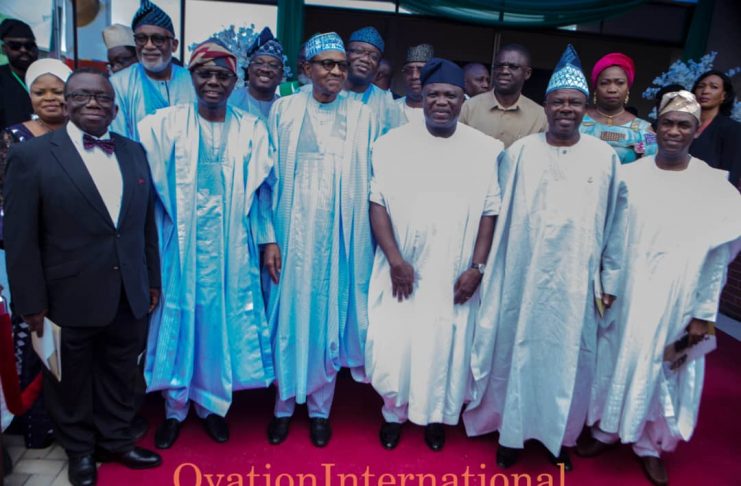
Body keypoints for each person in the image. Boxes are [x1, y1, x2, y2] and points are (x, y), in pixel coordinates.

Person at [463, 44, 627, 472]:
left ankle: (558, 437)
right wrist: (487, 269)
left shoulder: (605, 158)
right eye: (558, 102)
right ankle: (511, 433)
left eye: (574, 102)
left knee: (567, 360)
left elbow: (616, 225)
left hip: (576, 283)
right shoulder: (521, 153)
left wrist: (610, 280)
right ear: (547, 105)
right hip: (521, 277)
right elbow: (496, 214)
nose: (566, 109)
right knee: (514, 354)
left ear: (585, 107)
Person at [4, 68, 162, 486]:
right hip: (65, 295)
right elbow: (20, 237)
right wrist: (30, 302)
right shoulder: (32, 157)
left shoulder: (133, 152)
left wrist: (152, 280)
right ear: (67, 103)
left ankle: (116, 441)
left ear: (114, 108)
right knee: (69, 381)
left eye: (102, 98)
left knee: (122, 374)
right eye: (82, 96)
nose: (93, 103)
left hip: (128, 290)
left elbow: (144, 224)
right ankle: (80, 452)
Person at [579, 90, 741, 486]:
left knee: (666, 367)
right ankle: (607, 429)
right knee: (614, 358)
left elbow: (718, 258)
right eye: (667, 123)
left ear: (695, 131)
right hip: (627, 291)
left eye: (683, 125)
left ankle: (650, 444)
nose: (674, 131)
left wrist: (704, 313)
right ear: (656, 127)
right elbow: (609, 238)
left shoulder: (714, 186)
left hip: (679, 295)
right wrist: (606, 285)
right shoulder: (629, 177)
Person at [139, 39, 276, 450]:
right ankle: (174, 408)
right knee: (180, 321)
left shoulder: (252, 129)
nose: (213, 81)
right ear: (192, 77)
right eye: (204, 73)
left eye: (222, 75)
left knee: (219, 326)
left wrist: (268, 240)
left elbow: (263, 193)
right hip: (179, 246)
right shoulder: (161, 126)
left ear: (235, 82)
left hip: (233, 247)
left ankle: (212, 406)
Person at [366, 58, 502, 452]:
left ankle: (438, 416)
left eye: (450, 95)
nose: (442, 102)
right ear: (421, 96)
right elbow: (377, 204)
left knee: (447, 345)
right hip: (402, 269)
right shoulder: (390, 145)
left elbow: (489, 212)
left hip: (454, 272)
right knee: (397, 342)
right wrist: (395, 261)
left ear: (463, 100)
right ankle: (394, 413)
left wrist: (477, 268)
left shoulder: (486, 149)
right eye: (434, 94)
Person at [265, 32, 378, 448]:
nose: (335, 71)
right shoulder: (284, 109)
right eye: (326, 64)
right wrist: (269, 239)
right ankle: (282, 406)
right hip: (290, 236)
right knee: (288, 321)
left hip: (339, 238)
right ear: (306, 68)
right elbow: (268, 180)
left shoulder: (363, 115)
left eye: (341, 65)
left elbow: (370, 179)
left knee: (327, 320)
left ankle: (319, 410)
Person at [0, 59, 71, 450]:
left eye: (57, 90)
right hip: (32, 255)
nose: (50, 98)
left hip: (74, 256)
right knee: (35, 336)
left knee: (71, 340)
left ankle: (69, 421)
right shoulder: (15, 137)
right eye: (40, 91)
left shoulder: (85, 134)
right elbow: (5, 201)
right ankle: (35, 424)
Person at [110, 0, 195, 140]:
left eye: (158, 39)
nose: (149, 46)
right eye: (141, 39)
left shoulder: (192, 82)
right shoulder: (118, 84)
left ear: (174, 45)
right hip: (136, 155)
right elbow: (119, 139)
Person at [460, 44, 546, 148]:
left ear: (527, 73)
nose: (504, 71)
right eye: (499, 66)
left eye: (513, 67)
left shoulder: (540, 117)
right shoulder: (468, 108)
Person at [580, 52, 657, 164]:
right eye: (604, 83)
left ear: (628, 87)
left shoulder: (643, 129)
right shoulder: (577, 121)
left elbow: (652, 167)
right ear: (595, 88)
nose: (612, 89)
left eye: (620, 83)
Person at [343, 26, 401, 135]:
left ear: (378, 65)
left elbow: (399, 139)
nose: (365, 59)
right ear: (345, 55)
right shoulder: (325, 91)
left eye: (374, 57)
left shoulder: (387, 103)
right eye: (358, 51)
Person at [690, 70, 741, 187]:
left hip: (709, 191)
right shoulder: (682, 124)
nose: (705, 91)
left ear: (724, 96)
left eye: (714, 87)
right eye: (701, 86)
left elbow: (731, 173)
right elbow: (653, 140)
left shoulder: (732, 129)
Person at [229, 27, 284, 121]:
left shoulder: (285, 108)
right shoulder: (230, 102)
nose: (265, 69)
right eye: (259, 63)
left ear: (281, 75)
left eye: (273, 65)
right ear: (249, 69)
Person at [0, 19, 38, 130]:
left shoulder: (49, 76)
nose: (23, 50)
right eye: (15, 46)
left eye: (29, 45)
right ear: (4, 49)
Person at [395, 44, 433, 125]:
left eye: (421, 70)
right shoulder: (391, 108)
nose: (414, 76)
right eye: (408, 71)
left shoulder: (442, 111)